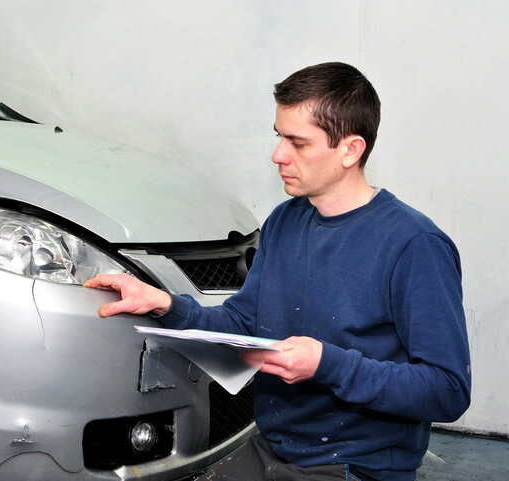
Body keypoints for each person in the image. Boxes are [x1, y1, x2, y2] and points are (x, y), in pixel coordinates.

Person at [84, 62, 471, 481]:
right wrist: (165, 305)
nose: (278, 155)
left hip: (353, 463)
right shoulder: (285, 221)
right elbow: (243, 322)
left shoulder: (415, 246)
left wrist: (328, 364)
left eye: (297, 143)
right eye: (278, 136)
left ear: (350, 150)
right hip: (272, 446)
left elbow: (447, 390)